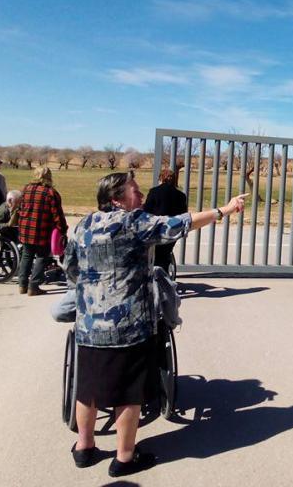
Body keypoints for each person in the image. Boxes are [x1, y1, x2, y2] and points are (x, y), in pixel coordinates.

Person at [63, 171, 246, 477]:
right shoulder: (134, 222)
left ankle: (84, 448)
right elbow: (182, 223)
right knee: (128, 394)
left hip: (89, 325)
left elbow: (70, 268)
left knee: (87, 390)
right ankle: (124, 457)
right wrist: (224, 210)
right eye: (135, 191)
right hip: (128, 327)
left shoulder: (84, 225)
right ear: (117, 199)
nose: (142, 197)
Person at [17, 166, 67, 296]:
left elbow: (20, 208)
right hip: (42, 230)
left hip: (26, 229)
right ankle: (33, 286)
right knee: (41, 257)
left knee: (26, 255)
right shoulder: (50, 193)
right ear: (49, 176)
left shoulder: (26, 189)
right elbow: (57, 215)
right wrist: (63, 229)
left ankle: (22, 284)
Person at [142, 168, 187, 272]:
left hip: (156, 229)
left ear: (161, 178)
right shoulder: (181, 196)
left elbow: (147, 210)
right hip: (172, 230)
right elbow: (183, 214)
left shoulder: (154, 192)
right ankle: (164, 276)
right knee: (165, 254)